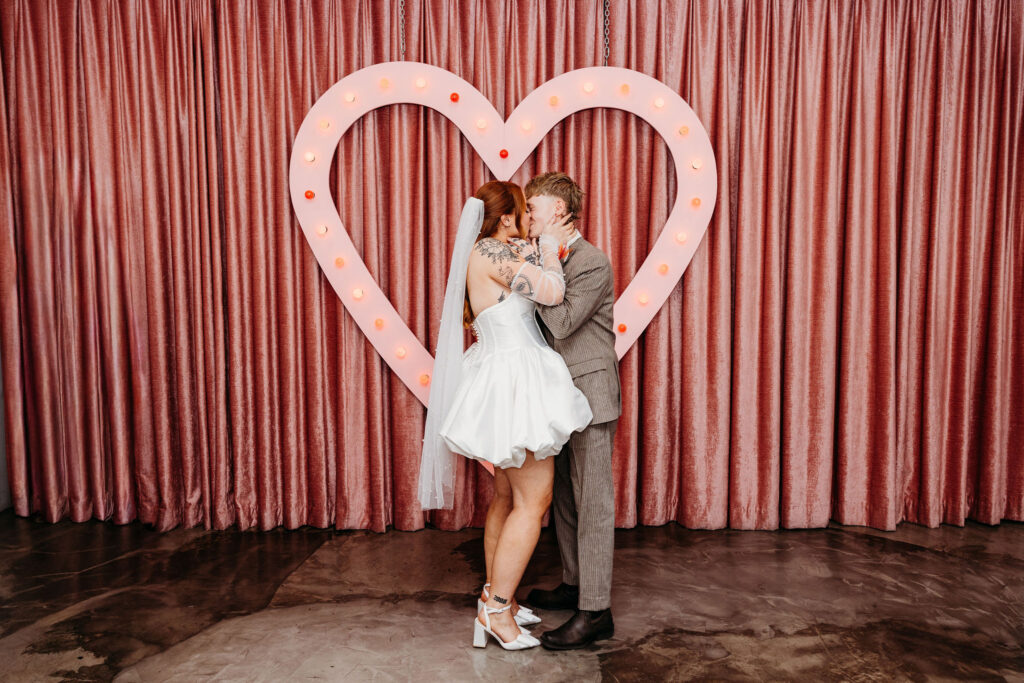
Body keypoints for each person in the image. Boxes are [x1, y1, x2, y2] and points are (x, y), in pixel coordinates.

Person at [418, 180, 593, 651]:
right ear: (506, 218)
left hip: (501, 377)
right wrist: (553, 249)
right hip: (517, 383)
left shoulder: (488, 252)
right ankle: (496, 611)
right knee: (532, 505)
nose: (529, 221)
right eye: (523, 212)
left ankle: (499, 601)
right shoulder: (494, 255)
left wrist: (538, 248)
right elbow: (553, 294)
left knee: (502, 497)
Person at [523, 172, 622, 650]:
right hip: (556, 395)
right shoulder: (543, 256)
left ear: (559, 213)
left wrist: (534, 280)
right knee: (562, 494)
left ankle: (596, 610)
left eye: (533, 210)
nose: (526, 218)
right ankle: (575, 582)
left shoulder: (591, 262)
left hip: (590, 393)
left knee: (594, 502)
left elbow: (561, 323)